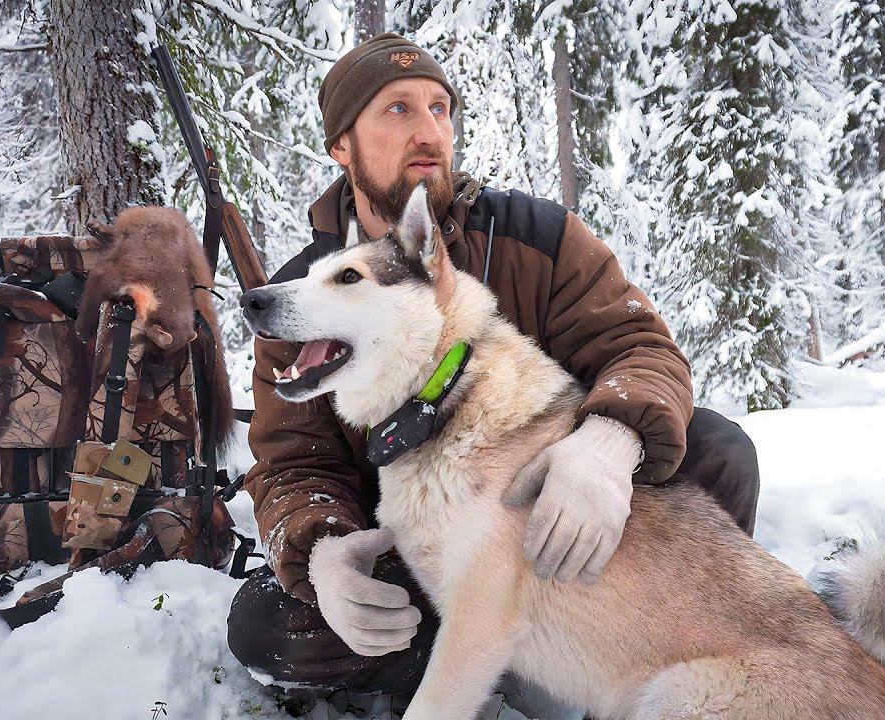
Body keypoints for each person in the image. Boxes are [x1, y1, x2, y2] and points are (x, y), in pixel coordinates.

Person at [226, 32, 761, 718]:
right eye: (397, 109)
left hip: (562, 533)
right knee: (272, 627)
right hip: (419, 558)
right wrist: (324, 553)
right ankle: (480, 662)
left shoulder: (537, 238)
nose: (430, 131)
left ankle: (661, 665)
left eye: (440, 108)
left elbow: (642, 350)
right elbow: (291, 462)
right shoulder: (302, 299)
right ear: (342, 146)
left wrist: (607, 445)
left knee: (715, 452)